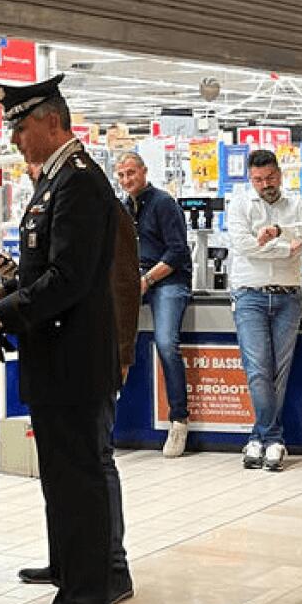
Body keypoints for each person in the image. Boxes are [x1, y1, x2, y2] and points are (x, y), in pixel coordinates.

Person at [0, 74, 121, 604]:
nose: (15, 139)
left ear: (52, 121)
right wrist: (1, 296)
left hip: (74, 364)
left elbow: (69, 279)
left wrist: (3, 315)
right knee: (61, 491)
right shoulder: (55, 181)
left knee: (79, 493)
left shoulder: (79, 182)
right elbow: (45, 271)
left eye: (21, 126)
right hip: (55, 360)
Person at [10, 163, 141, 604]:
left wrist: (122, 351)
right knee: (63, 467)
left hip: (95, 356)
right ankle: (67, 560)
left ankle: (112, 567)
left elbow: (124, 284)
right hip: (62, 356)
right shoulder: (53, 203)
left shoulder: (96, 203)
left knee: (96, 460)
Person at [227, 149, 302, 472]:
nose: (265, 184)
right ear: (250, 179)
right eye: (258, 179)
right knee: (258, 369)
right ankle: (273, 438)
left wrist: (281, 231)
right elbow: (243, 245)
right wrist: (286, 249)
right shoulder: (240, 205)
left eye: (269, 177)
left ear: (279, 175)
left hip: (288, 297)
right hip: (249, 296)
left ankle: (260, 440)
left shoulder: (297, 204)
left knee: (278, 371)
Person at [115, 151, 192, 457]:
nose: (126, 180)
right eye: (121, 175)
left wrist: (145, 280)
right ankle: (106, 415)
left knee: (166, 343)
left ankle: (179, 419)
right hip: (136, 280)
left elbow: (177, 252)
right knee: (112, 341)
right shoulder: (122, 209)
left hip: (168, 280)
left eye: (131, 173)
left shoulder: (163, 203)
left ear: (144, 171)